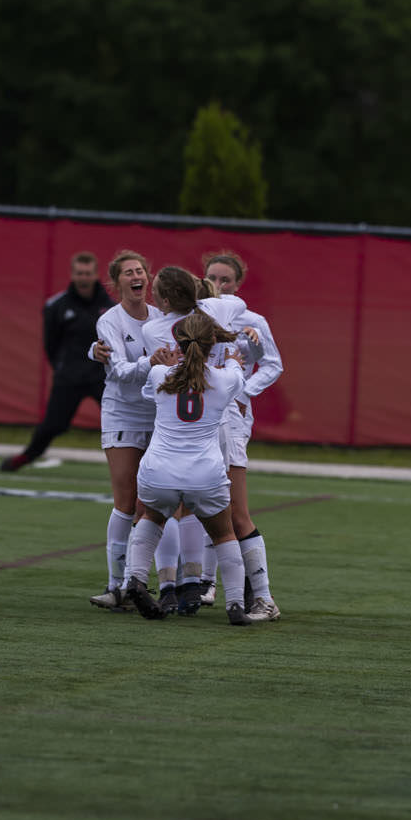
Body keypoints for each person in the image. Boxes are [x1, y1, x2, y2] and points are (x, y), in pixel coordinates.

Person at [119, 311, 264, 624]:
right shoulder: (224, 379)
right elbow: (238, 370)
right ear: (211, 342)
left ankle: (136, 579)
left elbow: (152, 389)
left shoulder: (160, 376)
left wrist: (163, 363)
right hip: (204, 473)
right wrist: (235, 356)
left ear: (179, 343)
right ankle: (236, 606)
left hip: (159, 470)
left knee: (152, 517)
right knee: (224, 534)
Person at [201, 251, 284, 621]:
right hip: (199, 419)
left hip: (232, 417)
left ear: (237, 285)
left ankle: (263, 598)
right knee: (200, 500)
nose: (218, 286)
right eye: (212, 278)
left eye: (225, 280)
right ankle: (202, 583)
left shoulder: (252, 320)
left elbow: (273, 363)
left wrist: (243, 391)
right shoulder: (195, 315)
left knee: (235, 510)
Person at [83, 250, 155, 610]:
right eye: (128, 272)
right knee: (126, 502)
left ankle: (148, 583)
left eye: (140, 270)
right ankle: (115, 586)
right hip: (123, 414)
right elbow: (121, 372)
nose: (136, 276)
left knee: (154, 505)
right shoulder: (110, 321)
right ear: (117, 282)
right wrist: (153, 362)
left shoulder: (159, 318)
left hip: (159, 418)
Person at [0, 252, 113, 473]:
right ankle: (26, 457)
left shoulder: (110, 307)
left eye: (88, 274)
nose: (83, 278)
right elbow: (50, 344)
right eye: (79, 273)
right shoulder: (56, 306)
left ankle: (140, 466)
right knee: (53, 425)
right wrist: (63, 367)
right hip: (69, 377)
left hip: (102, 377)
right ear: (72, 274)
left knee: (120, 422)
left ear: (95, 275)